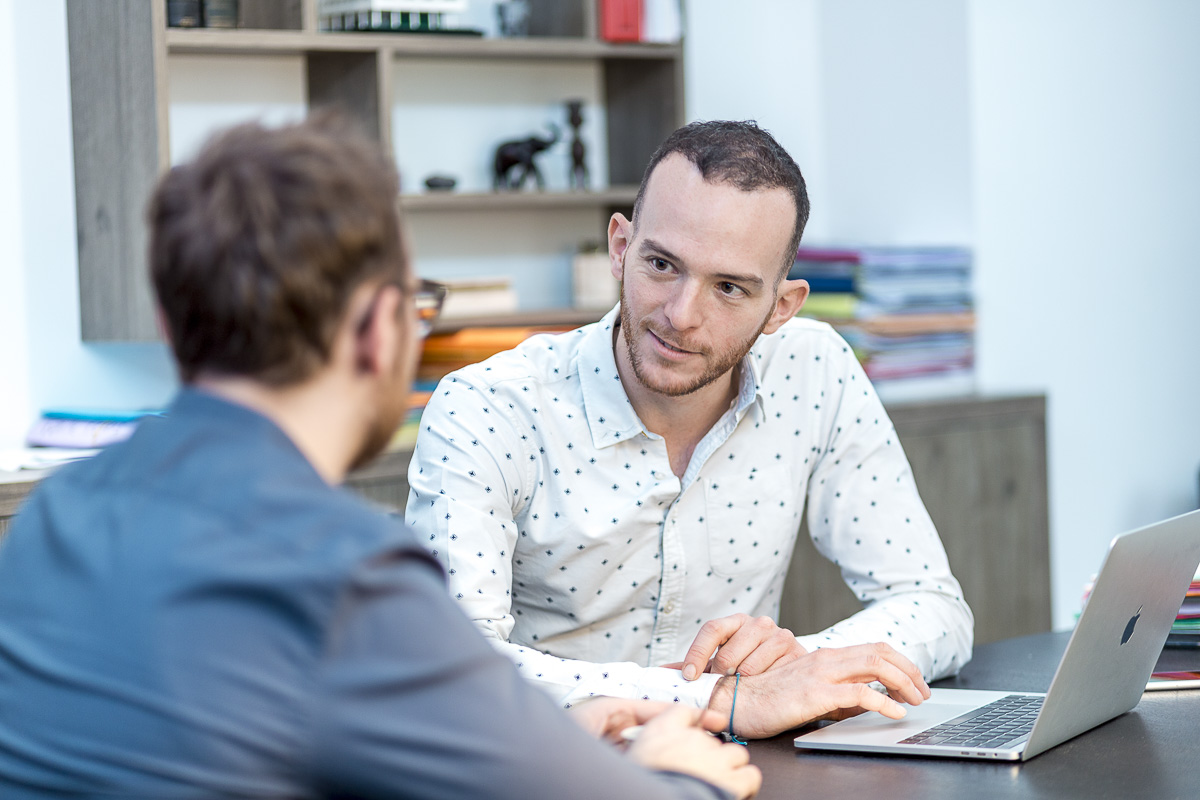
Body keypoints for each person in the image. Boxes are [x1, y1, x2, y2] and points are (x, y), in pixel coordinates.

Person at [0, 115, 761, 800]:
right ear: (377, 328)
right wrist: (675, 774)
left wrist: (541, 747)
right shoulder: (341, 573)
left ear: (168, 325)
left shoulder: (56, 516)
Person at [406, 120, 972, 739]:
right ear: (621, 248)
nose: (680, 315)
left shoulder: (816, 369)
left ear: (781, 307)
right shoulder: (488, 407)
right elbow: (451, 672)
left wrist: (798, 670)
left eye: (729, 288)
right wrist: (721, 701)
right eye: (661, 264)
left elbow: (934, 608)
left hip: (734, 774)